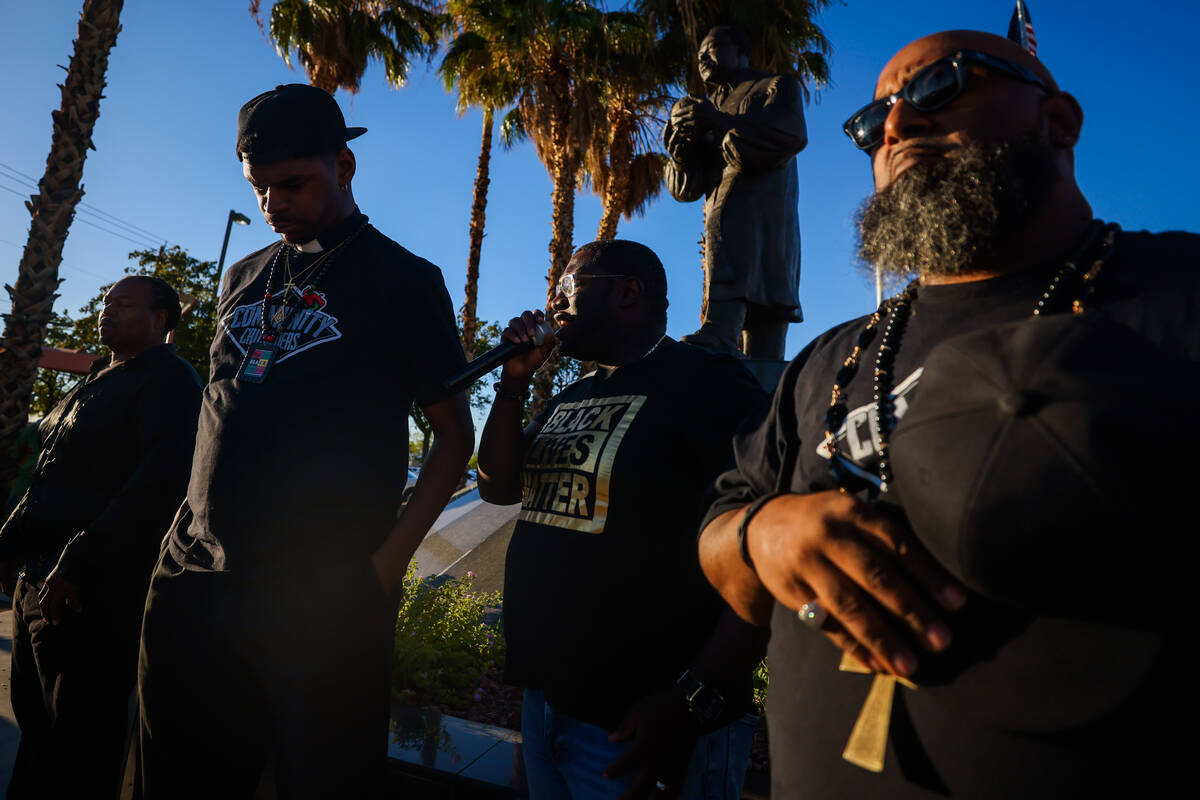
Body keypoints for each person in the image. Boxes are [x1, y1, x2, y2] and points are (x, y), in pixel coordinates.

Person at [697, 30, 1199, 798]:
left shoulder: (1177, 297)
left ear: (1058, 122)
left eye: (938, 88)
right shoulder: (830, 358)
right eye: (873, 122)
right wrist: (766, 534)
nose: (896, 125)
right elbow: (721, 534)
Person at [134, 84, 474, 798]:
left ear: (345, 166)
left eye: (293, 184)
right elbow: (221, 411)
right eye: (259, 188)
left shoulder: (406, 281)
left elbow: (452, 439)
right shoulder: (241, 276)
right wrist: (178, 541)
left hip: (321, 599)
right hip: (192, 585)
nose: (273, 204)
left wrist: (381, 571)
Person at [478, 240, 770, 799]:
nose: (555, 303)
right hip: (548, 704)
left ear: (628, 291)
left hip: (642, 721)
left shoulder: (710, 385)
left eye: (568, 287)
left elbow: (760, 546)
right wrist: (513, 383)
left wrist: (696, 698)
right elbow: (497, 487)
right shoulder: (573, 396)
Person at [0, 276, 202, 798]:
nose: (107, 309)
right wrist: (9, 544)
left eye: (124, 304)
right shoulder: (95, 377)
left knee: (78, 742)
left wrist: (78, 561)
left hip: (89, 595)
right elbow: (49, 472)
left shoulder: (172, 384)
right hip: (36, 582)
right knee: (37, 728)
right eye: (107, 300)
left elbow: (157, 488)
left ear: (161, 320)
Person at [663, 25, 807, 360]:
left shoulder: (775, 85)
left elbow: (789, 136)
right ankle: (722, 334)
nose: (702, 58)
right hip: (722, 217)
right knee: (732, 259)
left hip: (765, 214)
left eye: (711, 47)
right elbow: (687, 188)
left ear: (741, 50)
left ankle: (721, 331)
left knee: (768, 325)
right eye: (698, 54)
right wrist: (681, 151)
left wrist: (717, 119)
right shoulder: (707, 104)